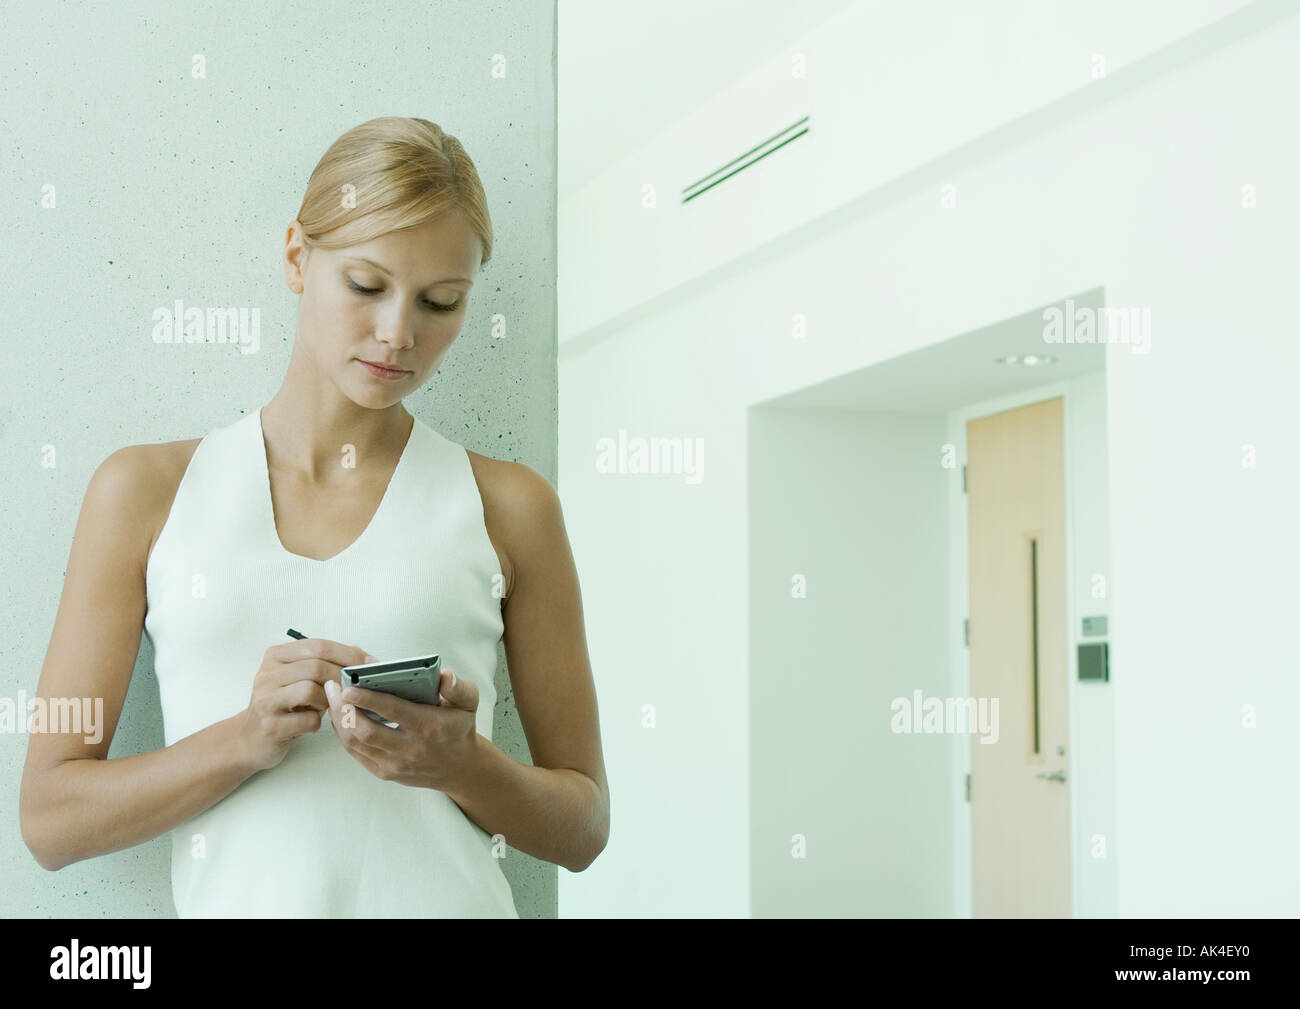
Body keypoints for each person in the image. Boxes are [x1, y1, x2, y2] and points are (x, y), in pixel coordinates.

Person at [18, 116, 609, 917]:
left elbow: (583, 826)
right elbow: (50, 819)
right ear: (297, 256)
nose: (399, 333)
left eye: (441, 302)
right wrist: (244, 738)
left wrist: (463, 763)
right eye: (367, 285)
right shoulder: (143, 492)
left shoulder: (511, 506)